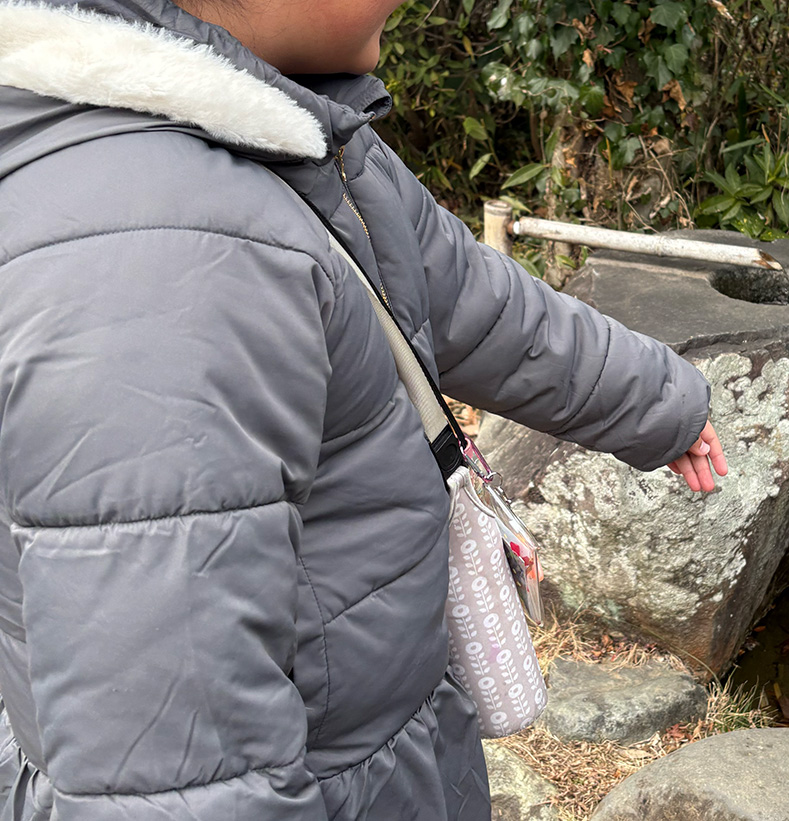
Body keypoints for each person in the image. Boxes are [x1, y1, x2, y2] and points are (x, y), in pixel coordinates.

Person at [0, 1, 729, 818]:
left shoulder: (281, 131)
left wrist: (653, 398)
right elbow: (174, 775)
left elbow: (467, 297)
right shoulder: (158, 255)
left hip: (376, 755)